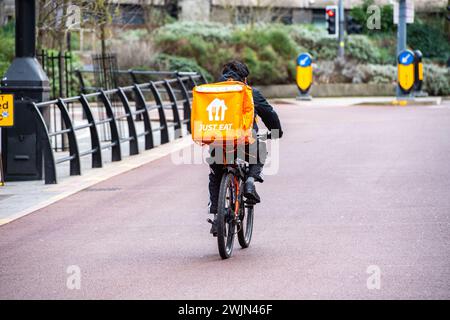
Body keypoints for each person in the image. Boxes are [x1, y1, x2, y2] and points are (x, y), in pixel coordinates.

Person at [208, 60, 283, 235]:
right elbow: (269, 114)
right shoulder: (250, 93)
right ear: (245, 78)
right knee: (260, 150)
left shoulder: (213, 93)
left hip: (219, 143)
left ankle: (217, 214)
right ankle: (250, 181)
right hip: (245, 142)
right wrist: (276, 131)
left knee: (215, 174)